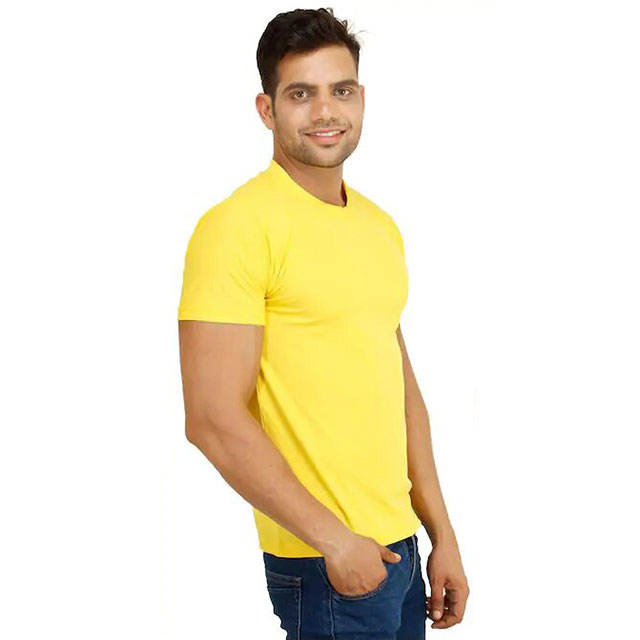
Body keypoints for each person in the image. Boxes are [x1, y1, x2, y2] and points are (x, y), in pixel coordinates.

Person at [177, 7, 469, 638]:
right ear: (267, 109)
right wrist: (335, 541)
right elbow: (211, 418)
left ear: (361, 98)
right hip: (325, 563)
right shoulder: (236, 228)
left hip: (398, 550)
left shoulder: (378, 226)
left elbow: (401, 392)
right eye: (300, 94)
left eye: (341, 90)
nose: (325, 111)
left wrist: (441, 533)